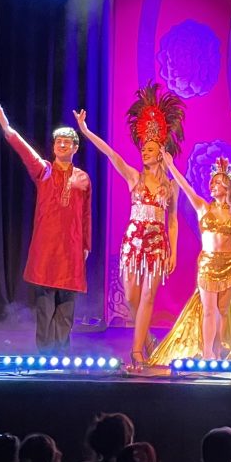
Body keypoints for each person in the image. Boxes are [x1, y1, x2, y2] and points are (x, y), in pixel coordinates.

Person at [74, 83, 184, 367]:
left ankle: (136, 352)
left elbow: (172, 221)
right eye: (143, 148)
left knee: (148, 297)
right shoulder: (134, 176)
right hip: (133, 242)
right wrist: (86, 131)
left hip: (157, 244)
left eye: (150, 149)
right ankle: (145, 338)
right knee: (132, 298)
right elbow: (112, 154)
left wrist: (173, 251)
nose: (144, 152)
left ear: (160, 152)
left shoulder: (171, 186)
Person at [0, 105, 92, 350]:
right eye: (58, 142)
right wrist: (7, 128)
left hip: (71, 248)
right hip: (47, 247)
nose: (62, 145)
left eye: (67, 142)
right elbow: (26, 153)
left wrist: (86, 245)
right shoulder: (44, 171)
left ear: (75, 148)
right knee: (45, 304)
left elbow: (86, 215)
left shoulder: (83, 178)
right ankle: (45, 354)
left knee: (66, 305)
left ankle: (61, 353)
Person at [151, 157, 231, 363]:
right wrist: (171, 166)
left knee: (223, 311)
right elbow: (186, 188)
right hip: (208, 264)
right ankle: (206, 353)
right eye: (211, 183)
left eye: (217, 182)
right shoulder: (203, 207)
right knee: (209, 310)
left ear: (228, 187)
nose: (212, 185)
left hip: (230, 264)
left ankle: (218, 351)